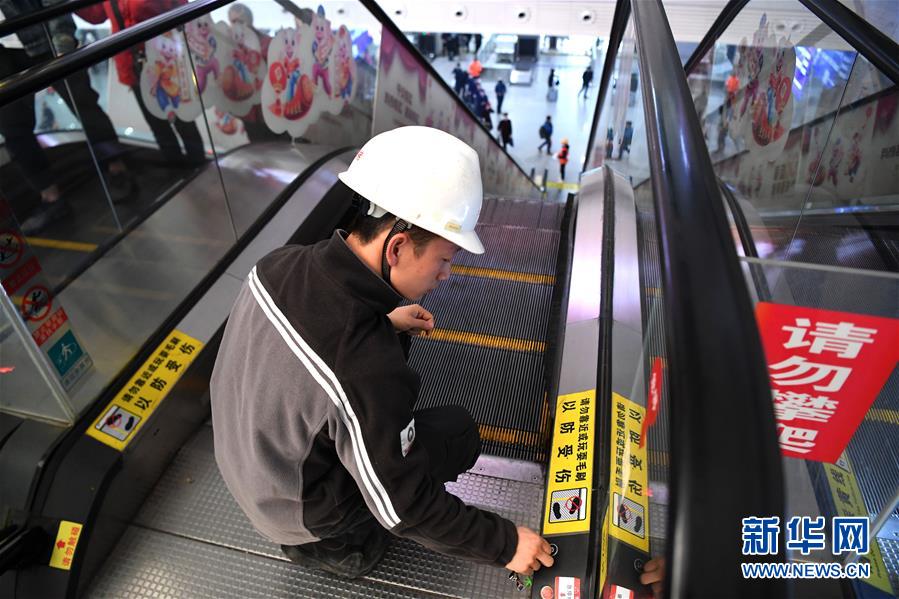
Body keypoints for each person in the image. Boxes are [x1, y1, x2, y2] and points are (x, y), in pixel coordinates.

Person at [211, 126, 554, 580]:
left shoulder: (276, 265)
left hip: (249, 464)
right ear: (396, 247)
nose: (447, 274)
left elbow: (306, 353)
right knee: (457, 433)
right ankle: (339, 548)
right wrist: (505, 544)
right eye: (445, 258)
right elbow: (404, 505)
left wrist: (384, 322)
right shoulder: (364, 365)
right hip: (300, 514)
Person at [0, 0, 135, 234]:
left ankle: (117, 168)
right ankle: (51, 197)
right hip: (4, 52)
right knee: (11, 126)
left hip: (43, 36)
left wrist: (62, 41)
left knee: (82, 101)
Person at [77, 0, 206, 165]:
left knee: (183, 120)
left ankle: (198, 165)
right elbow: (96, 15)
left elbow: (181, 8)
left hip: (165, 63)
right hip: (134, 67)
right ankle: (178, 169)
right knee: (158, 126)